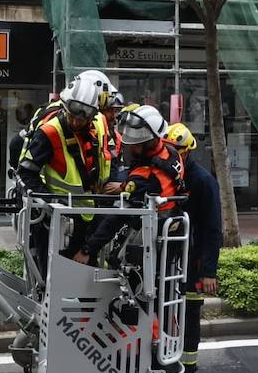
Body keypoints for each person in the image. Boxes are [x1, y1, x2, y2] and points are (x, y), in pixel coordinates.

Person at [17, 78, 110, 273]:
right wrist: (51, 203)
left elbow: (108, 156)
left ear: (92, 115)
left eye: (81, 119)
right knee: (54, 276)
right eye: (71, 116)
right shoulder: (49, 132)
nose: (75, 122)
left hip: (90, 214)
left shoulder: (100, 123)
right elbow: (26, 173)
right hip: (59, 220)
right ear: (64, 107)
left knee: (88, 276)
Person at [78, 105, 185, 265]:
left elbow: (118, 216)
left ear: (151, 141)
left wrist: (87, 250)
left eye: (137, 144)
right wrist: (123, 186)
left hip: (150, 234)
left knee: (118, 264)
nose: (132, 147)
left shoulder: (144, 175)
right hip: (170, 226)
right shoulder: (170, 153)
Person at [166, 122, 220, 373]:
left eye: (178, 151)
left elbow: (213, 227)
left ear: (188, 151)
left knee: (189, 314)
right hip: (172, 256)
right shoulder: (171, 175)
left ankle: (188, 371)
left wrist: (209, 270)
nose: (174, 155)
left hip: (194, 261)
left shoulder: (202, 180)